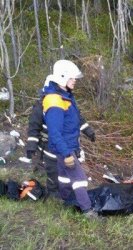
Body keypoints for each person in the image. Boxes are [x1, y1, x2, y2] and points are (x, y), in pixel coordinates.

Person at [41, 59, 97, 218]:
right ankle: (88, 211)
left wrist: (87, 131)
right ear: (62, 77)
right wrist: (66, 154)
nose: (75, 81)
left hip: (68, 145)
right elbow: (55, 132)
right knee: (79, 179)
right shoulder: (54, 100)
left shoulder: (65, 96)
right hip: (64, 147)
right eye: (72, 78)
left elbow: (74, 119)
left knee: (65, 177)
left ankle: (65, 200)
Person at [25, 96, 95, 198]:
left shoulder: (67, 101)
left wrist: (88, 130)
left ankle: (68, 192)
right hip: (50, 146)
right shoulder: (42, 105)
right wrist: (32, 144)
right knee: (53, 170)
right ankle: (53, 191)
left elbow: (77, 118)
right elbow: (34, 126)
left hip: (68, 145)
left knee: (69, 170)